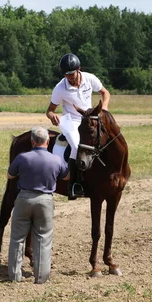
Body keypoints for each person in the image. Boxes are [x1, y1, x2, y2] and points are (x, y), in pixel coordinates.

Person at [7, 126, 70, 284]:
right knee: (44, 238)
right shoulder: (56, 160)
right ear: (48, 141)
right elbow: (67, 177)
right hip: (45, 201)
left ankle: (15, 276)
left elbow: (10, 175)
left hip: (24, 198)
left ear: (32, 141)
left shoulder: (22, 158)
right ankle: (41, 277)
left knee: (17, 238)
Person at [45, 53, 111, 200]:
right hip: (71, 121)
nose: (70, 77)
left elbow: (105, 93)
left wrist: (104, 109)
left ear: (79, 69)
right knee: (77, 145)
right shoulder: (60, 88)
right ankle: (74, 184)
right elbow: (49, 110)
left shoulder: (90, 78)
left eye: (72, 73)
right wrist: (52, 116)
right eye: (66, 74)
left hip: (88, 118)